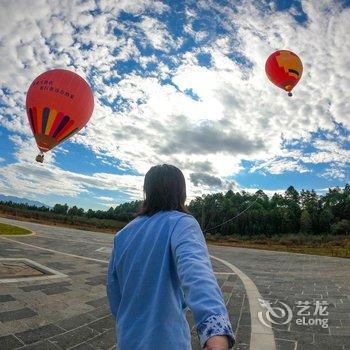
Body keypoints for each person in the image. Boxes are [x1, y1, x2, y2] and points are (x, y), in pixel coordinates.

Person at [107, 164, 235, 350]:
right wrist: (215, 329)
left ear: (147, 192)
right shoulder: (182, 222)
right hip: (166, 341)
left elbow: (113, 291)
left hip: (127, 339)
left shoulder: (122, 234)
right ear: (181, 192)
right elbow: (197, 272)